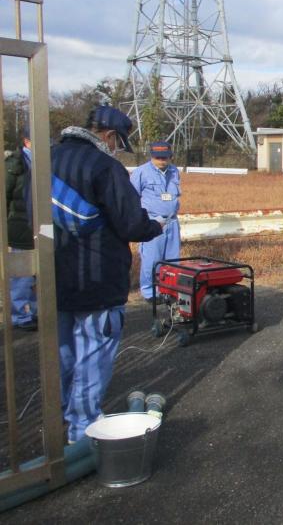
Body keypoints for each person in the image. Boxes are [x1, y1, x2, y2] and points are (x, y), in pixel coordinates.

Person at [52, 105, 164, 442]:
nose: (117, 148)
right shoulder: (105, 166)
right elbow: (131, 222)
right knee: (92, 352)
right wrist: (154, 226)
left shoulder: (48, 159)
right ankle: (82, 429)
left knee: (64, 351)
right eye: (118, 142)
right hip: (98, 278)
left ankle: (59, 417)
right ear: (110, 136)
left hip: (54, 276)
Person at [130, 141, 181, 301]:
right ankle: (150, 292)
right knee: (151, 259)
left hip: (172, 221)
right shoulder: (141, 173)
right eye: (158, 157)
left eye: (164, 157)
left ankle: (169, 289)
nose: (161, 160)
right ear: (151, 155)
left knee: (172, 259)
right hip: (152, 221)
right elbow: (132, 198)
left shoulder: (174, 171)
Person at [5, 131, 38, 330]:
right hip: (20, 227)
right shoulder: (14, 164)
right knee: (21, 275)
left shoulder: (46, 163)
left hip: (40, 227)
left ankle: (35, 311)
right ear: (27, 141)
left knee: (40, 274)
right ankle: (19, 316)